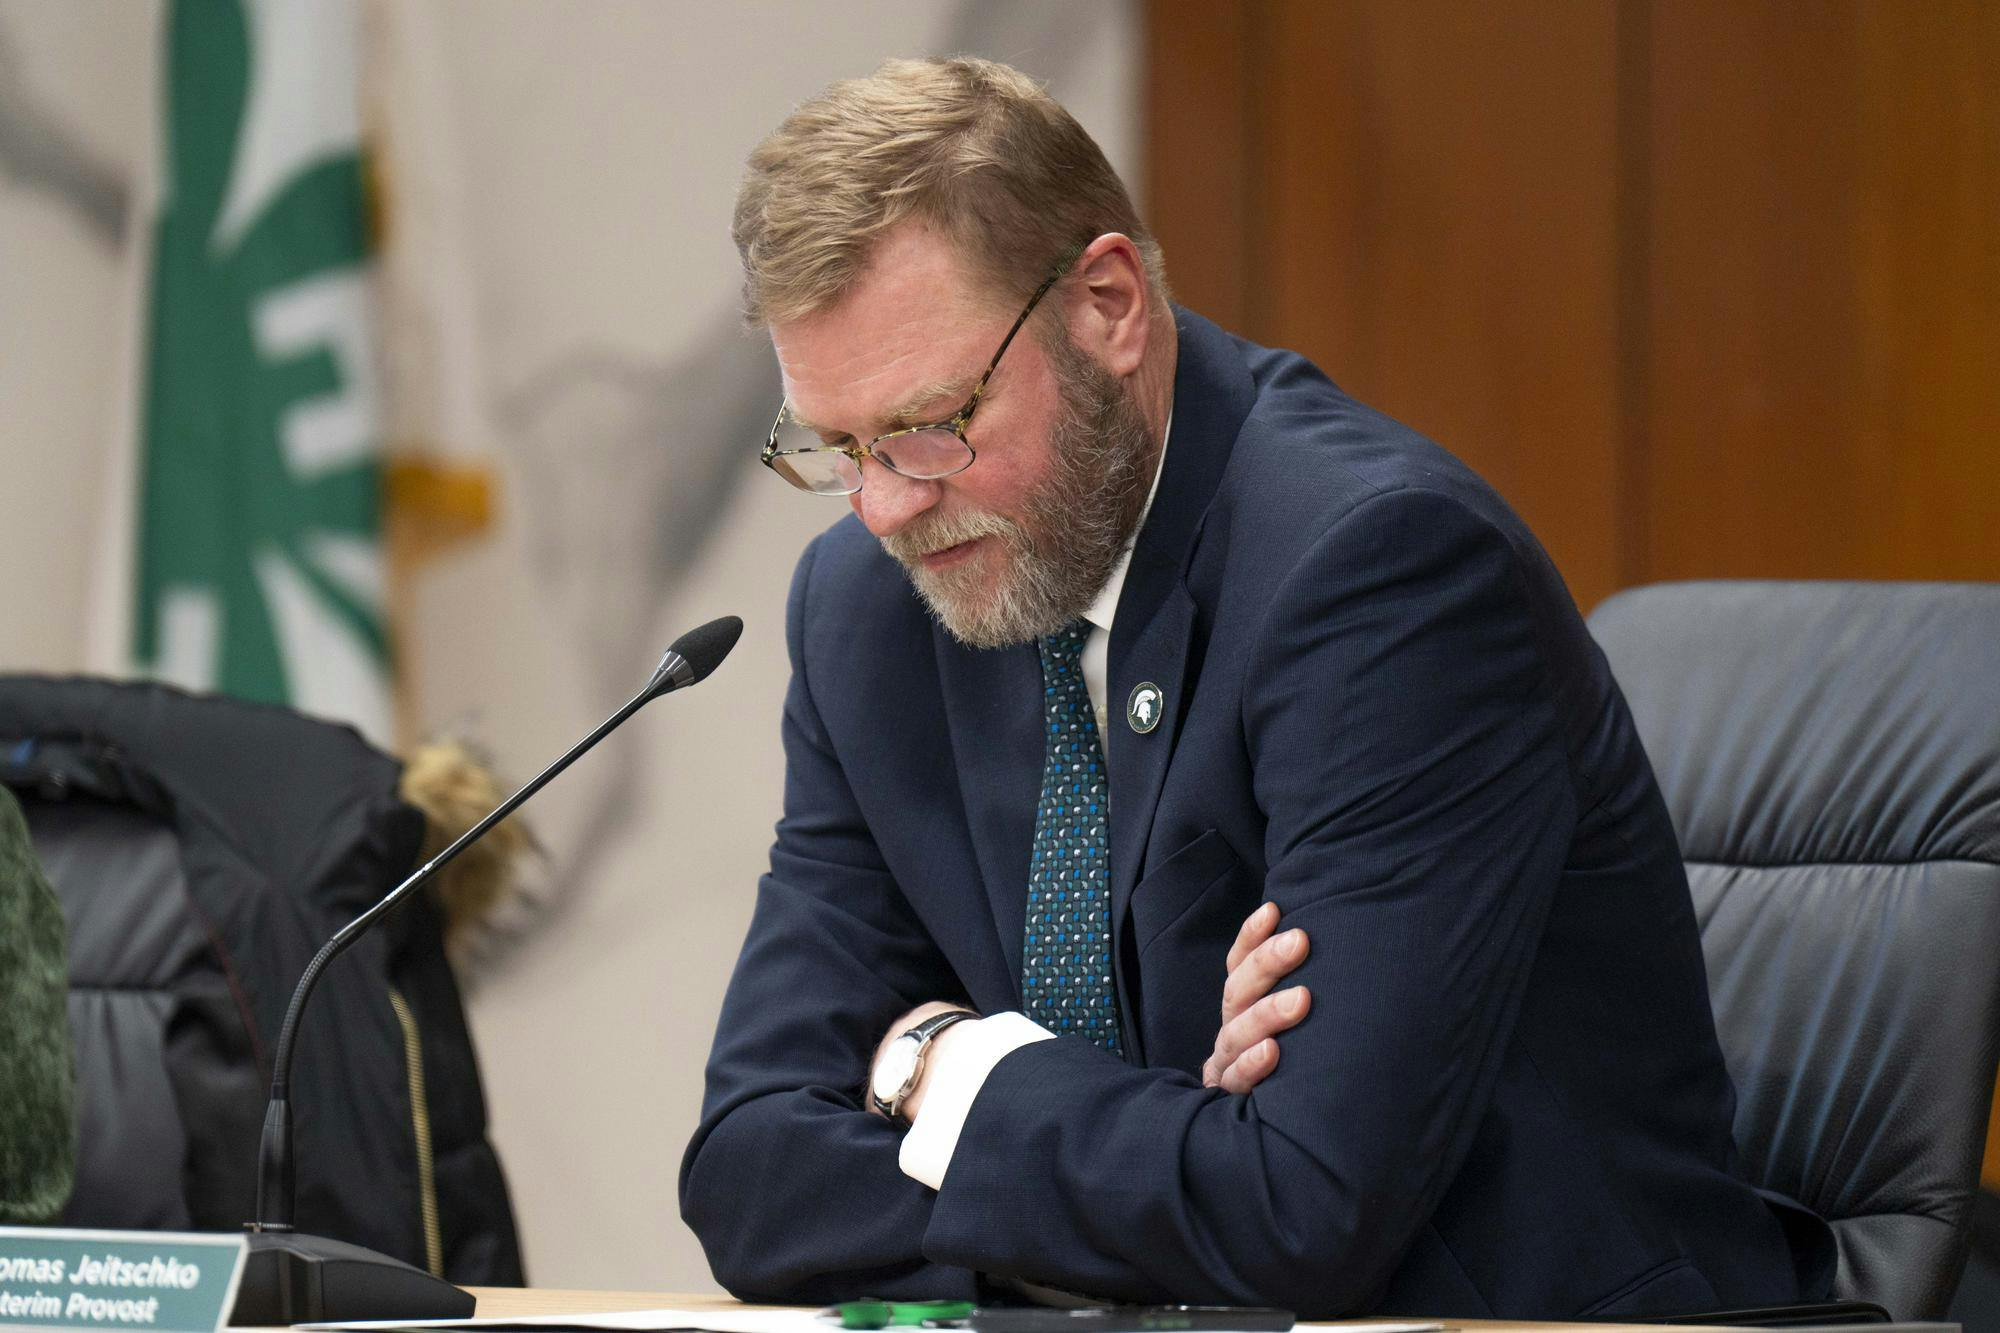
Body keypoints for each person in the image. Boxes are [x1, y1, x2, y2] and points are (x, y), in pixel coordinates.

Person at [679, 56, 1832, 1318]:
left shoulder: (1377, 574)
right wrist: (1172, 1131)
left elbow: (1300, 1209)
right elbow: (750, 1179)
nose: (888, 504)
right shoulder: (869, 613)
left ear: (1107, 306)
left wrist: (935, 1066)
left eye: (929, 421)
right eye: (836, 448)